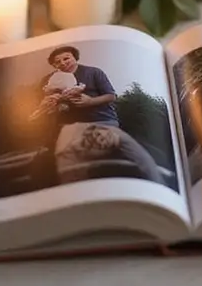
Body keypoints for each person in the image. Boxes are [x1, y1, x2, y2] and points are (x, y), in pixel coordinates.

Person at [31, 46, 162, 184]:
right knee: (54, 159)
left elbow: (111, 96)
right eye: (57, 62)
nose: (63, 63)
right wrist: (50, 106)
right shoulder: (49, 81)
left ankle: (155, 182)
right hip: (69, 127)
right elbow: (41, 107)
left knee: (133, 150)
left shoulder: (94, 72)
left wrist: (90, 101)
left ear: (75, 58)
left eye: (66, 58)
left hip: (103, 120)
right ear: (53, 65)